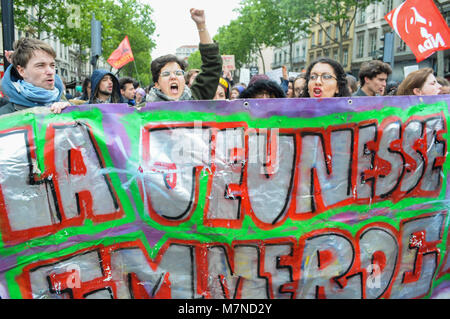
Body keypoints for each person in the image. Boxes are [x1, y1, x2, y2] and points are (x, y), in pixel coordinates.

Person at [147, 8, 222, 102]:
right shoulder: (142, 112)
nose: (173, 77)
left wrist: (201, 25)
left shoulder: (195, 98)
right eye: (166, 74)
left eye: (178, 73)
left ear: (184, 79)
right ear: (157, 84)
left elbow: (212, 65)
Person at [0, 37, 70, 116]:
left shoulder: (65, 106)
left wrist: (72, 114)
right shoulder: (5, 116)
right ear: (21, 71)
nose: (50, 72)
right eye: (40, 65)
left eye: (52, 65)